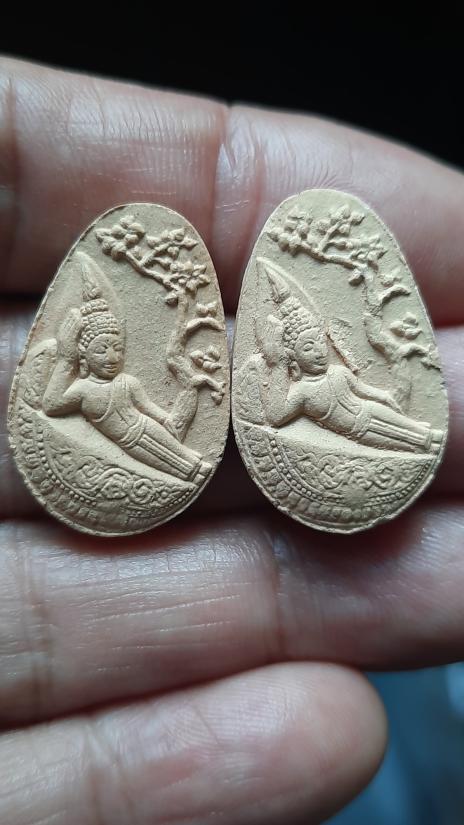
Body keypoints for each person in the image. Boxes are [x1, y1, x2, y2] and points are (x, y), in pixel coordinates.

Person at [2, 56, 464, 825]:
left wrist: (194, 398)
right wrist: (66, 356)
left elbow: (347, 396)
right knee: (166, 452)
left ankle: (401, 440)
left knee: (200, 444)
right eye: (103, 342)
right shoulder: (90, 386)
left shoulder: (327, 374)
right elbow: (59, 403)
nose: (113, 351)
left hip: (208, 430)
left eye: (116, 342)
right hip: (141, 440)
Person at [42, 269, 208, 483]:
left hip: (145, 425)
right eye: (101, 350)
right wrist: (66, 358)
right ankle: (191, 474)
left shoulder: (127, 382)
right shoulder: (83, 390)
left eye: (117, 348)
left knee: (176, 449)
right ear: (83, 355)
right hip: (129, 441)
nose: (112, 358)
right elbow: (51, 405)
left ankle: (195, 465)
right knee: (166, 462)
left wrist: (165, 419)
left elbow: (147, 407)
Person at [259, 268, 443, 453]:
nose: (319, 352)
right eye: (308, 348)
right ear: (293, 357)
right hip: (358, 430)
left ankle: (428, 436)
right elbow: (275, 417)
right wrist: (277, 363)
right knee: (409, 444)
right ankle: (425, 445)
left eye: (321, 342)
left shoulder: (338, 372)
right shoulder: (302, 391)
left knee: (416, 430)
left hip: (368, 409)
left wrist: (384, 396)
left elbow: (362, 390)